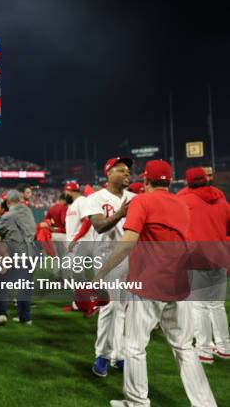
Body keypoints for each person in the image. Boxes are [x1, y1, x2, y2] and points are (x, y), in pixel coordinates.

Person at [93, 159, 218, 407]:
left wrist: (100, 274)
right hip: (179, 285)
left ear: (146, 180)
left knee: (134, 347)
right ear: (170, 181)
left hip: (148, 284)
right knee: (185, 348)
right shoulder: (182, 205)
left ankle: (138, 402)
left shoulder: (142, 200)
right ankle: (205, 404)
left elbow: (128, 242)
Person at [84, 157, 136, 377]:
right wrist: (119, 214)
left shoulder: (135, 198)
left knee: (126, 310)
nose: (127, 174)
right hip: (106, 259)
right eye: (121, 170)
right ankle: (102, 354)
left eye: (128, 171)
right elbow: (98, 226)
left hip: (132, 260)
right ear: (108, 173)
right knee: (110, 307)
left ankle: (120, 355)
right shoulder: (96, 198)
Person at [178, 167, 230, 363]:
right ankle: (225, 347)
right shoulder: (223, 202)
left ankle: (204, 350)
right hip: (219, 258)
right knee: (217, 306)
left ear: (188, 181)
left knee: (199, 306)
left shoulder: (184, 201)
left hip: (197, 258)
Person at [0, 189, 36, 325]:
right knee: (24, 287)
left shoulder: (9, 215)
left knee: (0, 283)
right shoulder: (28, 212)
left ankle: (1, 314)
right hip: (31, 253)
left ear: (8, 201)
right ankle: (25, 317)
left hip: (14, 253)